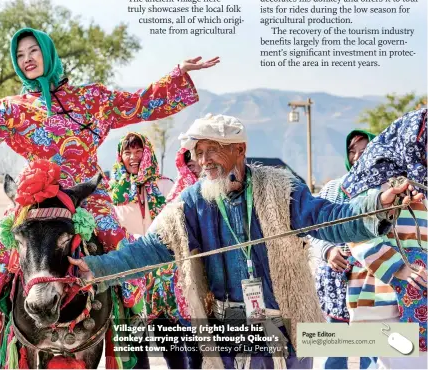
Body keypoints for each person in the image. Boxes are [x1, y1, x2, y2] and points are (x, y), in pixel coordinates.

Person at [0, 27, 219, 364]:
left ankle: (131, 315)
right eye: (20, 55)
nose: (26, 60)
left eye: (33, 52)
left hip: (87, 197)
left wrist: (177, 75)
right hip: (36, 197)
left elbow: (138, 103)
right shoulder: (13, 109)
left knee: (117, 240)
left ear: (48, 53)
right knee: (0, 243)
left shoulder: (92, 99)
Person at [69, 113, 424, 369]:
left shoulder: (281, 188)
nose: (203, 161)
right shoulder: (193, 202)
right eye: (198, 153)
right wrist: (96, 268)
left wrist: (377, 204)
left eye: (212, 151)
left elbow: (331, 220)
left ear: (239, 149)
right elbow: (149, 248)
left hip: (282, 331)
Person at [340, 109, 427, 370]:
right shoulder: (373, 180)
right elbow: (353, 232)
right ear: (416, 138)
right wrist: (397, 268)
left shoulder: (420, 181)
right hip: (383, 299)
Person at [110, 133, 200, 369]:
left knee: (171, 344)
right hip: (131, 281)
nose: (133, 157)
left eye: (138, 151)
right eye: (128, 152)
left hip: (166, 280)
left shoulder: (166, 185)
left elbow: (184, 219)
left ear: (147, 152)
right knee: (136, 348)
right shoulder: (112, 192)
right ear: (120, 156)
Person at [309, 129, 377, 369]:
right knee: (333, 358)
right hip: (335, 286)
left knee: (374, 357)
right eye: (352, 151)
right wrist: (328, 251)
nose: (357, 157)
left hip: (373, 288)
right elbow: (314, 229)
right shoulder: (332, 189)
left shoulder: (384, 192)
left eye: (364, 150)